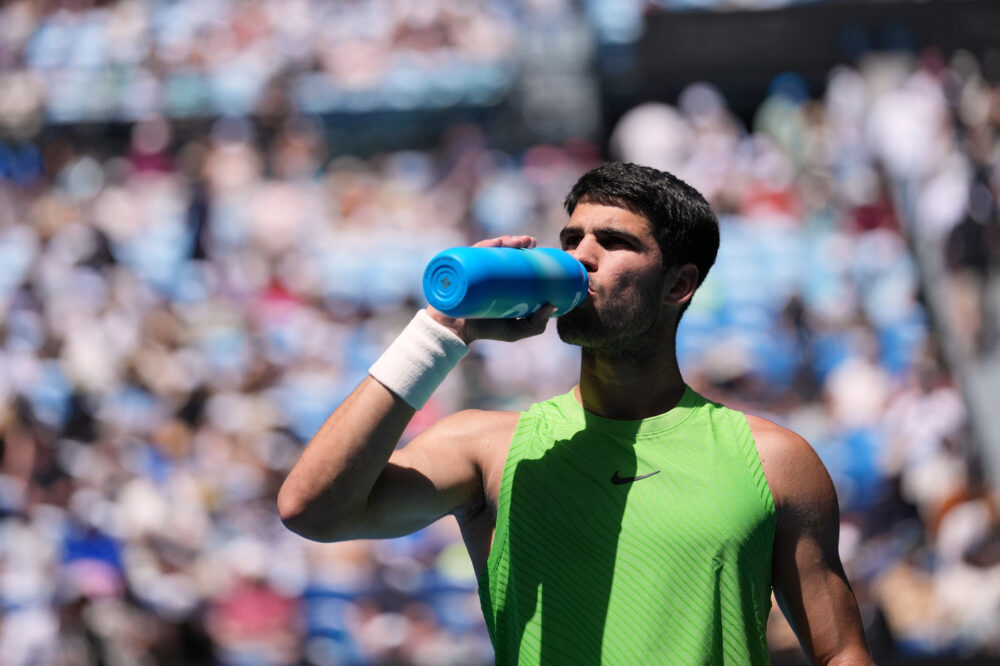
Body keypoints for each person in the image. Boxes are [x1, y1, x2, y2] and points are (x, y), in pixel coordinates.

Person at [278, 162, 874, 664]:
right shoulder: (489, 448)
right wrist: (441, 331)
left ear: (679, 285)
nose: (580, 257)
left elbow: (840, 652)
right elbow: (313, 508)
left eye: (614, 242)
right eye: (571, 239)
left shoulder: (775, 461)